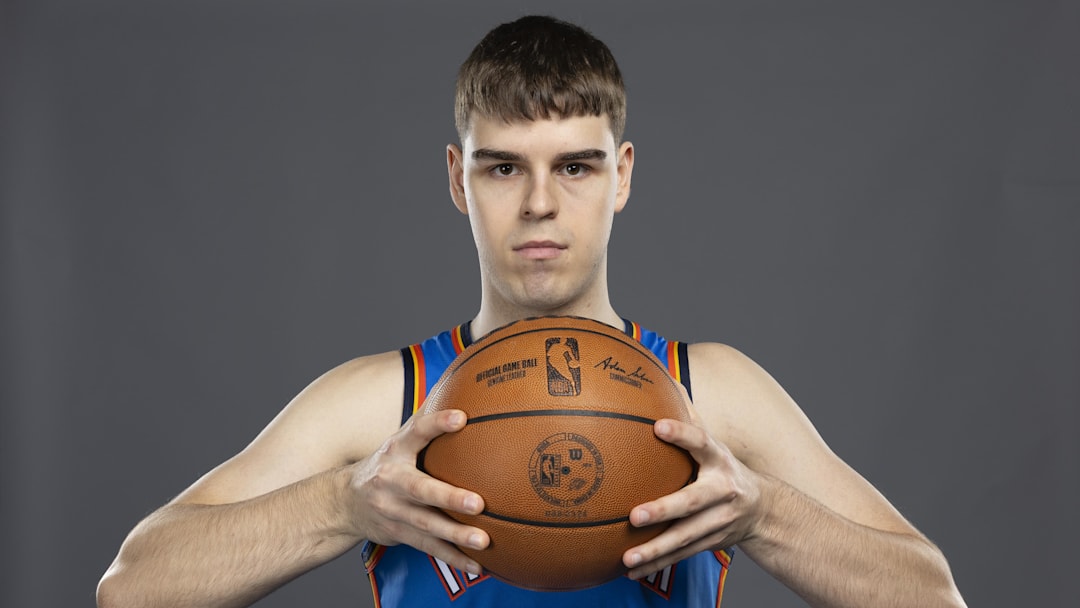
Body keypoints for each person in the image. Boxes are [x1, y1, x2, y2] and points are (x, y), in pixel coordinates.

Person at [97, 15, 966, 608]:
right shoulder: (386, 404)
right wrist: (341, 506)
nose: (540, 203)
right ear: (455, 178)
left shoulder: (709, 392)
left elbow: (934, 594)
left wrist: (766, 513)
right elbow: (129, 587)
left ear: (622, 174)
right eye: (503, 167)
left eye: (576, 167)